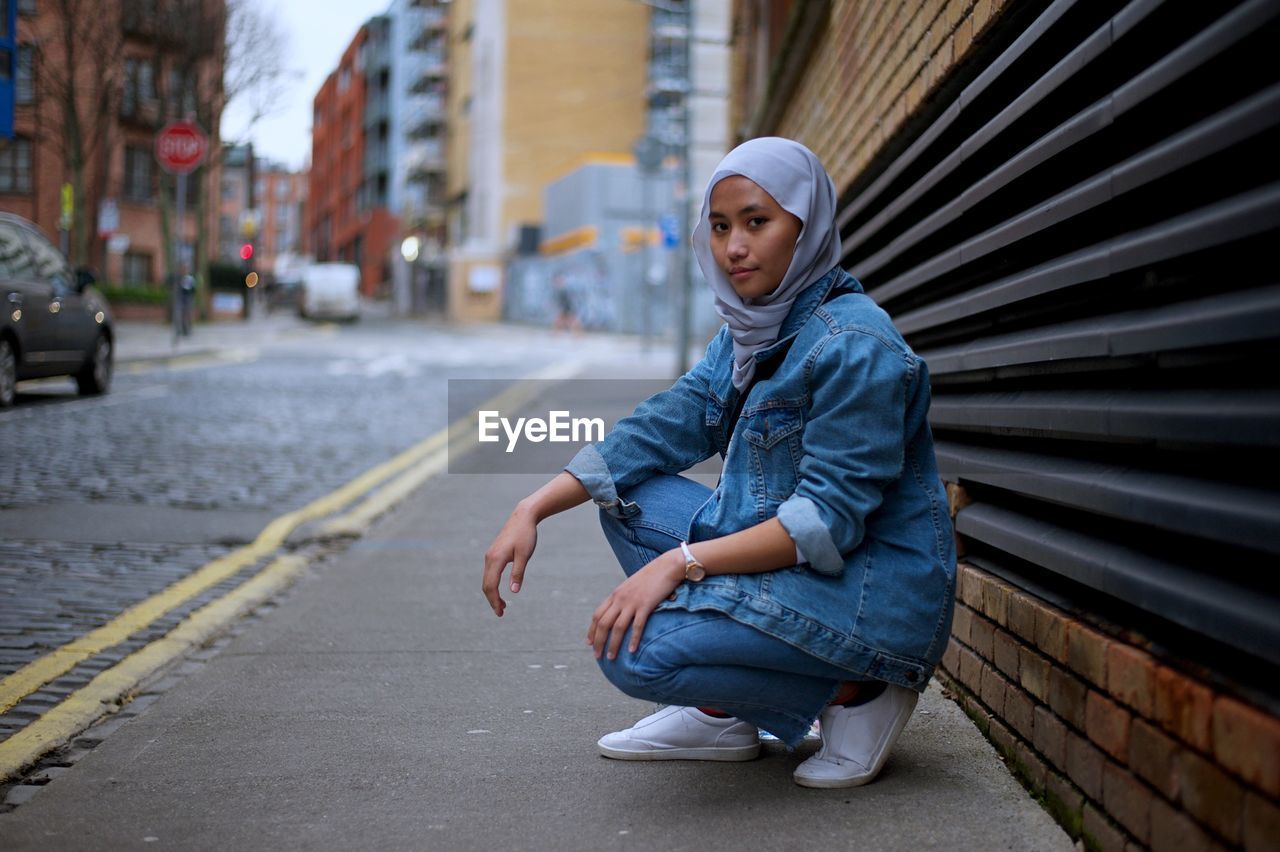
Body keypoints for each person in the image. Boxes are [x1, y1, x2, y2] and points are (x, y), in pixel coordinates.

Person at [482, 137, 955, 788]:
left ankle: (857, 692)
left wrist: (679, 565)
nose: (734, 246)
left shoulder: (857, 347)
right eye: (722, 226)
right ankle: (721, 715)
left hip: (870, 593)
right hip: (805, 564)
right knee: (626, 494)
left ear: (806, 225)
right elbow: (665, 423)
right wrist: (532, 505)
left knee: (636, 654)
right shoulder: (752, 329)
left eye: (758, 222)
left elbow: (824, 525)